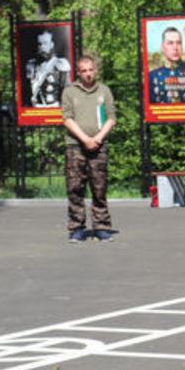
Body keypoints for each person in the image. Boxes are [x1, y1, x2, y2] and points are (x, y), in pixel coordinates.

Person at [60, 52, 117, 243]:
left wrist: (98, 138)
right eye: (84, 71)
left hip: (98, 145)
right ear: (78, 72)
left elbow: (111, 118)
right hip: (75, 145)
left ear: (96, 70)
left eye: (91, 70)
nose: (88, 74)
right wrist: (85, 139)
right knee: (75, 188)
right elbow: (67, 119)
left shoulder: (104, 91)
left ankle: (101, 227)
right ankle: (77, 228)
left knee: (99, 187)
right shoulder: (69, 91)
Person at [147, 25, 185, 104]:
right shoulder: (152, 76)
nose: (175, 47)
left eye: (179, 43)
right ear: (163, 47)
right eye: (170, 43)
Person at [25, 29, 70, 108]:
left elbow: (67, 93)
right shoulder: (31, 65)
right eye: (40, 44)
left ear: (51, 44)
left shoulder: (61, 64)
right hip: (35, 112)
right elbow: (27, 93)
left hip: (55, 111)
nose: (42, 47)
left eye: (45, 43)